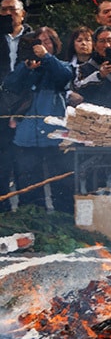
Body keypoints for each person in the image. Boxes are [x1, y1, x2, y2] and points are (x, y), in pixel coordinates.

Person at [5, 28, 74, 214]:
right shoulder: (25, 67)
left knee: (61, 183)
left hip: (55, 135)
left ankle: (64, 219)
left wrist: (46, 57)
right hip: (26, 136)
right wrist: (26, 68)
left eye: (47, 41)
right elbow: (10, 85)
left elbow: (65, 77)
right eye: (38, 42)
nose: (42, 46)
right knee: (28, 184)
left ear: (55, 44)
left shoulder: (62, 65)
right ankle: (32, 219)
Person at [0, 0, 32, 211]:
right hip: (1, 107)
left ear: (23, 13)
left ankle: (28, 210)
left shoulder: (34, 38)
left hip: (27, 105)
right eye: (4, 10)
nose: (9, 14)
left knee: (25, 160)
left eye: (13, 9)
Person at [64, 27, 93, 107]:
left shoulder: (100, 66)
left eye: (87, 40)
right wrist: (69, 94)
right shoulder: (67, 66)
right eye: (79, 40)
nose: (83, 43)